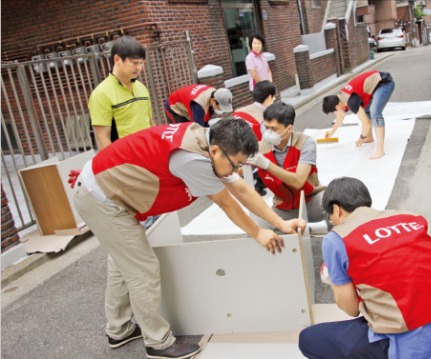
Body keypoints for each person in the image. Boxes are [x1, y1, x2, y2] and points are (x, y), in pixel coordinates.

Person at [71, 118, 305, 359]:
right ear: (215, 151)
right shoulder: (192, 158)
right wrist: (257, 232)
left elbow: (242, 188)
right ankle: (158, 342)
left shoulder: (212, 144)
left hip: (105, 185)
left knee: (124, 261)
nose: (237, 170)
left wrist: (279, 223)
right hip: (102, 198)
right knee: (142, 269)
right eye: (236, 164)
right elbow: (226, 201)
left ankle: (119, 330)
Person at [298, 177, 431, 359]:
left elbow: (351, 308)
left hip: (407, 344)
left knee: (309, 339)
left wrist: (333, 280)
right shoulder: (411, 217)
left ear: (336, 209)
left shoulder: (336, 239)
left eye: (331, 217)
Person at [246, 102, 328, 229]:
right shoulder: (260, 147)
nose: (268, 133)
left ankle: (336, 238)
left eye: (274, 129)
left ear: (289, 128)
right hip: (283, 208)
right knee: (255, 228)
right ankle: (295, 229)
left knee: (336, 202)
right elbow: (239, 170)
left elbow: (298, 181)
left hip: (311, 201)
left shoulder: (305, 143)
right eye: (266, 127)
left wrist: (267, 165)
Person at [88, 36, 155, 151]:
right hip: (125, 160)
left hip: (149, 154)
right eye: (134, 63)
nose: (139, 68)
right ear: (117, 59)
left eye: (141, 63)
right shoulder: (101, 93)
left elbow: (150, 122)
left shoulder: (141, 88)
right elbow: (102, 137)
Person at [322, 70, 395, 160]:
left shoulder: (350, 101)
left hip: (384, 83)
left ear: (337, 107)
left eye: (333, 113)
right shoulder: (340, 98)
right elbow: (340, 117)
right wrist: (331, 132)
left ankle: (380, 150)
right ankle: (369, 137)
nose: (335, 115)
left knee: (375, 113)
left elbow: (366, 123)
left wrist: (361, 137)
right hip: (374, 87)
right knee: (365, 111)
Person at [232, 80, 276, 195]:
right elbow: (268, 144)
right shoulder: (264, 119)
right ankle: (258, 182)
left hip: (234, 154)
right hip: (252, 158)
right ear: (269, 98)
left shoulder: (238, 111)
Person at [165, 84, 233, 126]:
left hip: (187, 103)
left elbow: (205, 122)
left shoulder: (214, 94)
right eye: (220, 107)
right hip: (174, 107)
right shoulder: (199, 105)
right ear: (213, 100)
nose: (220, 110)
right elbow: (198, 129)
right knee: (181, 133)